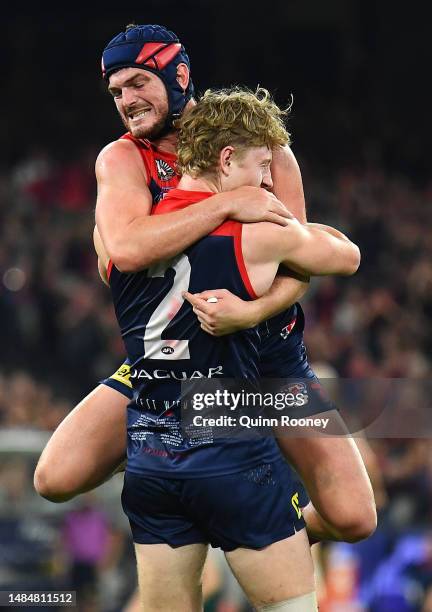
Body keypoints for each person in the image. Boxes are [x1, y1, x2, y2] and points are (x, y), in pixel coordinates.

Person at [34, 24, 376, 546]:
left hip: (266, 362)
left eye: (137, 84)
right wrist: (226, 204)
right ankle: (174, 461)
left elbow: (298, 265)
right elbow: (125, 252)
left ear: (180, 75)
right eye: (117, 92)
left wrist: (252, 314)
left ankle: (265, 516)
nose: (126, 101)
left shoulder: (270, 153)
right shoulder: (122, 158)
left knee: (355, 518)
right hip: (171, 364)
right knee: (54, 479)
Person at [95, 84, 360, 611]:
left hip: (151, 456)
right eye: (263, 165)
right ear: (226, 158)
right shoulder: (255, 234)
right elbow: (346, 256)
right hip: (230, 447)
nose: (267, 181)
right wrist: (272, 228)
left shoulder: (123, 239)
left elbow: (125, 253)